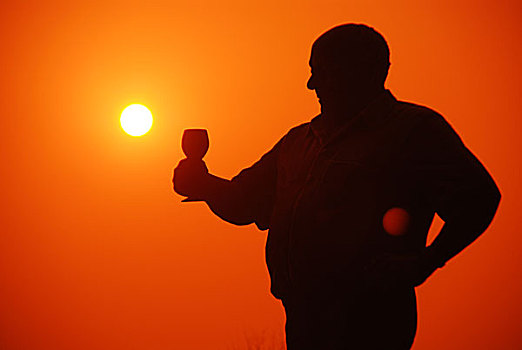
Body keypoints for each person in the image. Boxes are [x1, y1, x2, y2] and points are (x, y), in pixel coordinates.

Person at [172, 23, 501, 350]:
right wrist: (204, 185)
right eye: (313, 72)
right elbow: (243, 202)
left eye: (323, 72)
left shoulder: (412, 131)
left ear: (366, 72)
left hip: (372, 322)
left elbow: (479, 198)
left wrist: (426, 262)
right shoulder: (299, 142)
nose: (311, 84)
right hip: (303, 320)